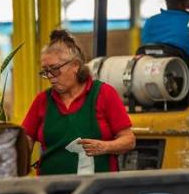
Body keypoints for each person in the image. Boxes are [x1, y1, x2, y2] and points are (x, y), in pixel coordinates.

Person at [22, 30, 135, 175]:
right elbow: (25, 143)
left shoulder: (104, 93)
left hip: (99, 189)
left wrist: (104, 147)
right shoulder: (42, 100)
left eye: (55, 69)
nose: (50, 76)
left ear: (75, 65)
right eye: (45, 71)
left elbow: (128, 140)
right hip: (51, 190)